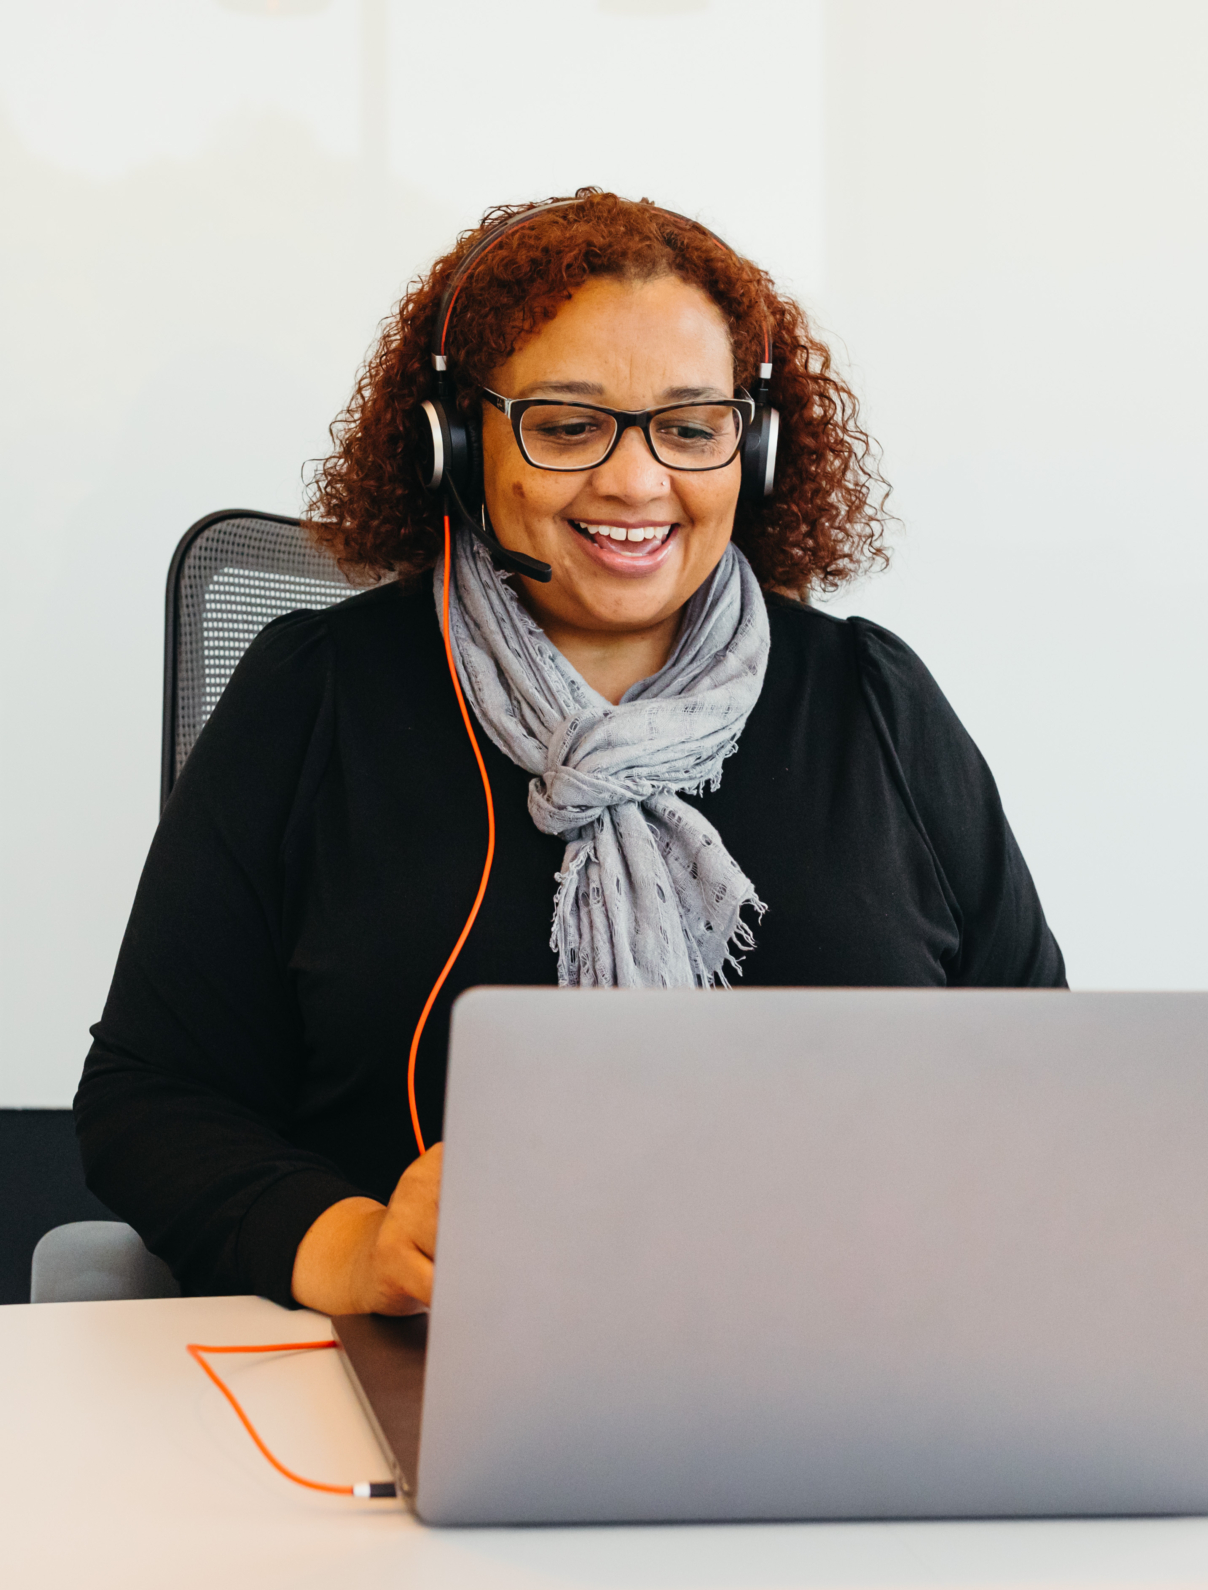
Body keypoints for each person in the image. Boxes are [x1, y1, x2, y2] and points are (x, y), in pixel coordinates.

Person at [75, 189, 1064, 1317]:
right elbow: (152, 1097)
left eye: (690, 427)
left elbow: (1033, 1075)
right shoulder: (318, 699)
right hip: (442, 1361)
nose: (636, 482)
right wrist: (346, 1246)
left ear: (759, 447)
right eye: (565, 423)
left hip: (860, 1358)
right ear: (456, 443)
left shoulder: (873, 703)